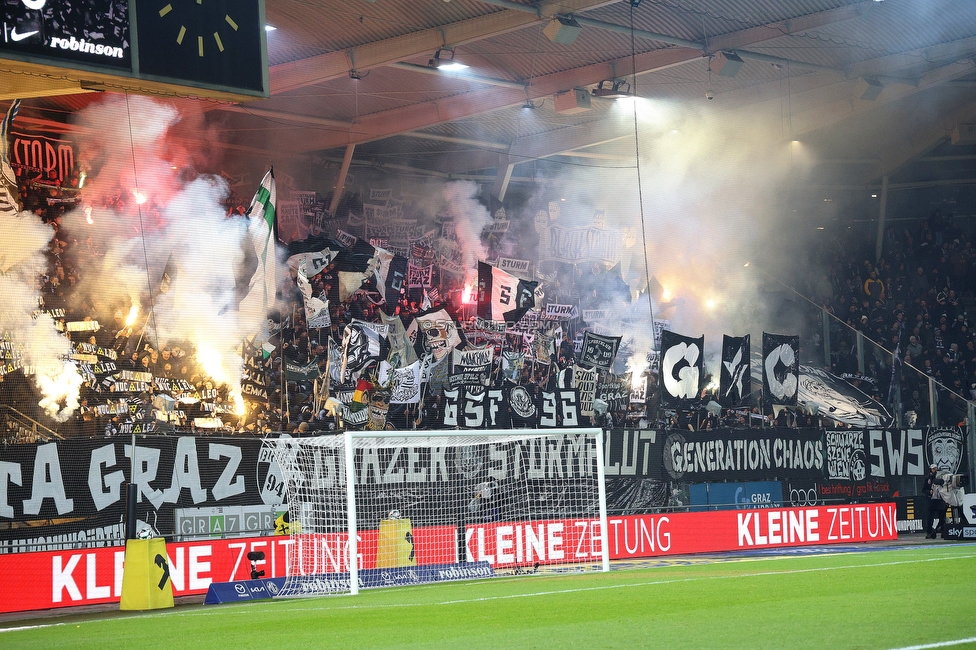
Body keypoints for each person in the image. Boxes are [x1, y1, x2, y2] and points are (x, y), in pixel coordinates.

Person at [923, 463, 946, 539]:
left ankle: (943, 532)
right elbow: (923, 489)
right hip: (931, 501)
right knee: (930, 518)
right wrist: (929, 492)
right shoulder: (928, 478)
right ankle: (929, 532)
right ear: (930, 469)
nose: (935, 470)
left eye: (936, 468)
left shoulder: (942, 478)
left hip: (940, 500)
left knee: (942, 517)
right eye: (933, 469)